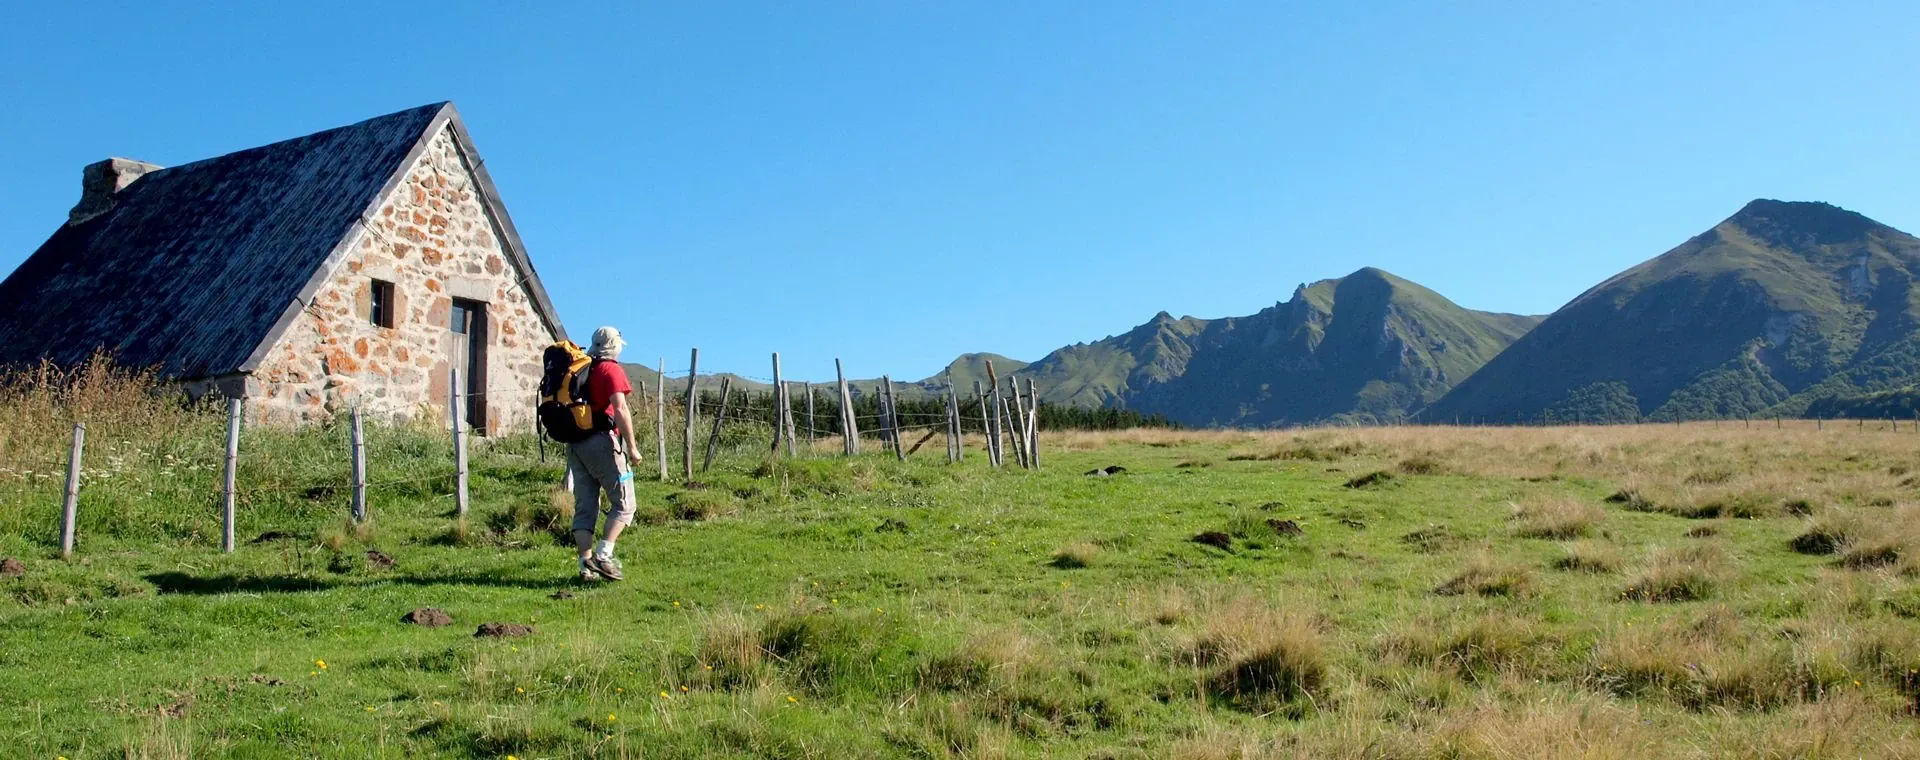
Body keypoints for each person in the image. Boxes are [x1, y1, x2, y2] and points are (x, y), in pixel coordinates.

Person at [569, 326, 643, 581]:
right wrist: (632, 447)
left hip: (576, 444)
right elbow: (620, 408)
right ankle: (604, 555)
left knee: (585, 505)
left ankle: (585, 566)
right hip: (602, 442)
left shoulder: (582, 369)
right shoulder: (610, 370)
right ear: (614, 345)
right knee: (625, 504)